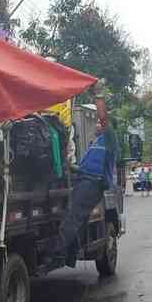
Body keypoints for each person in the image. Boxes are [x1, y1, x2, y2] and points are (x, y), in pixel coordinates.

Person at [52, 86, 116, 267]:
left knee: (73, 217)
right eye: (96, 123)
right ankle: (71, 254)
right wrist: (71, 168)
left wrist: (99, 96)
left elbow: (104, 119)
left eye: (98, 124)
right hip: (84, 182)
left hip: (91, 184)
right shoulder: (94, 144)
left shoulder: (109, 141)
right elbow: (84, 168)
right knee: (78, 219)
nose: (96, 124)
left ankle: (57, 254)